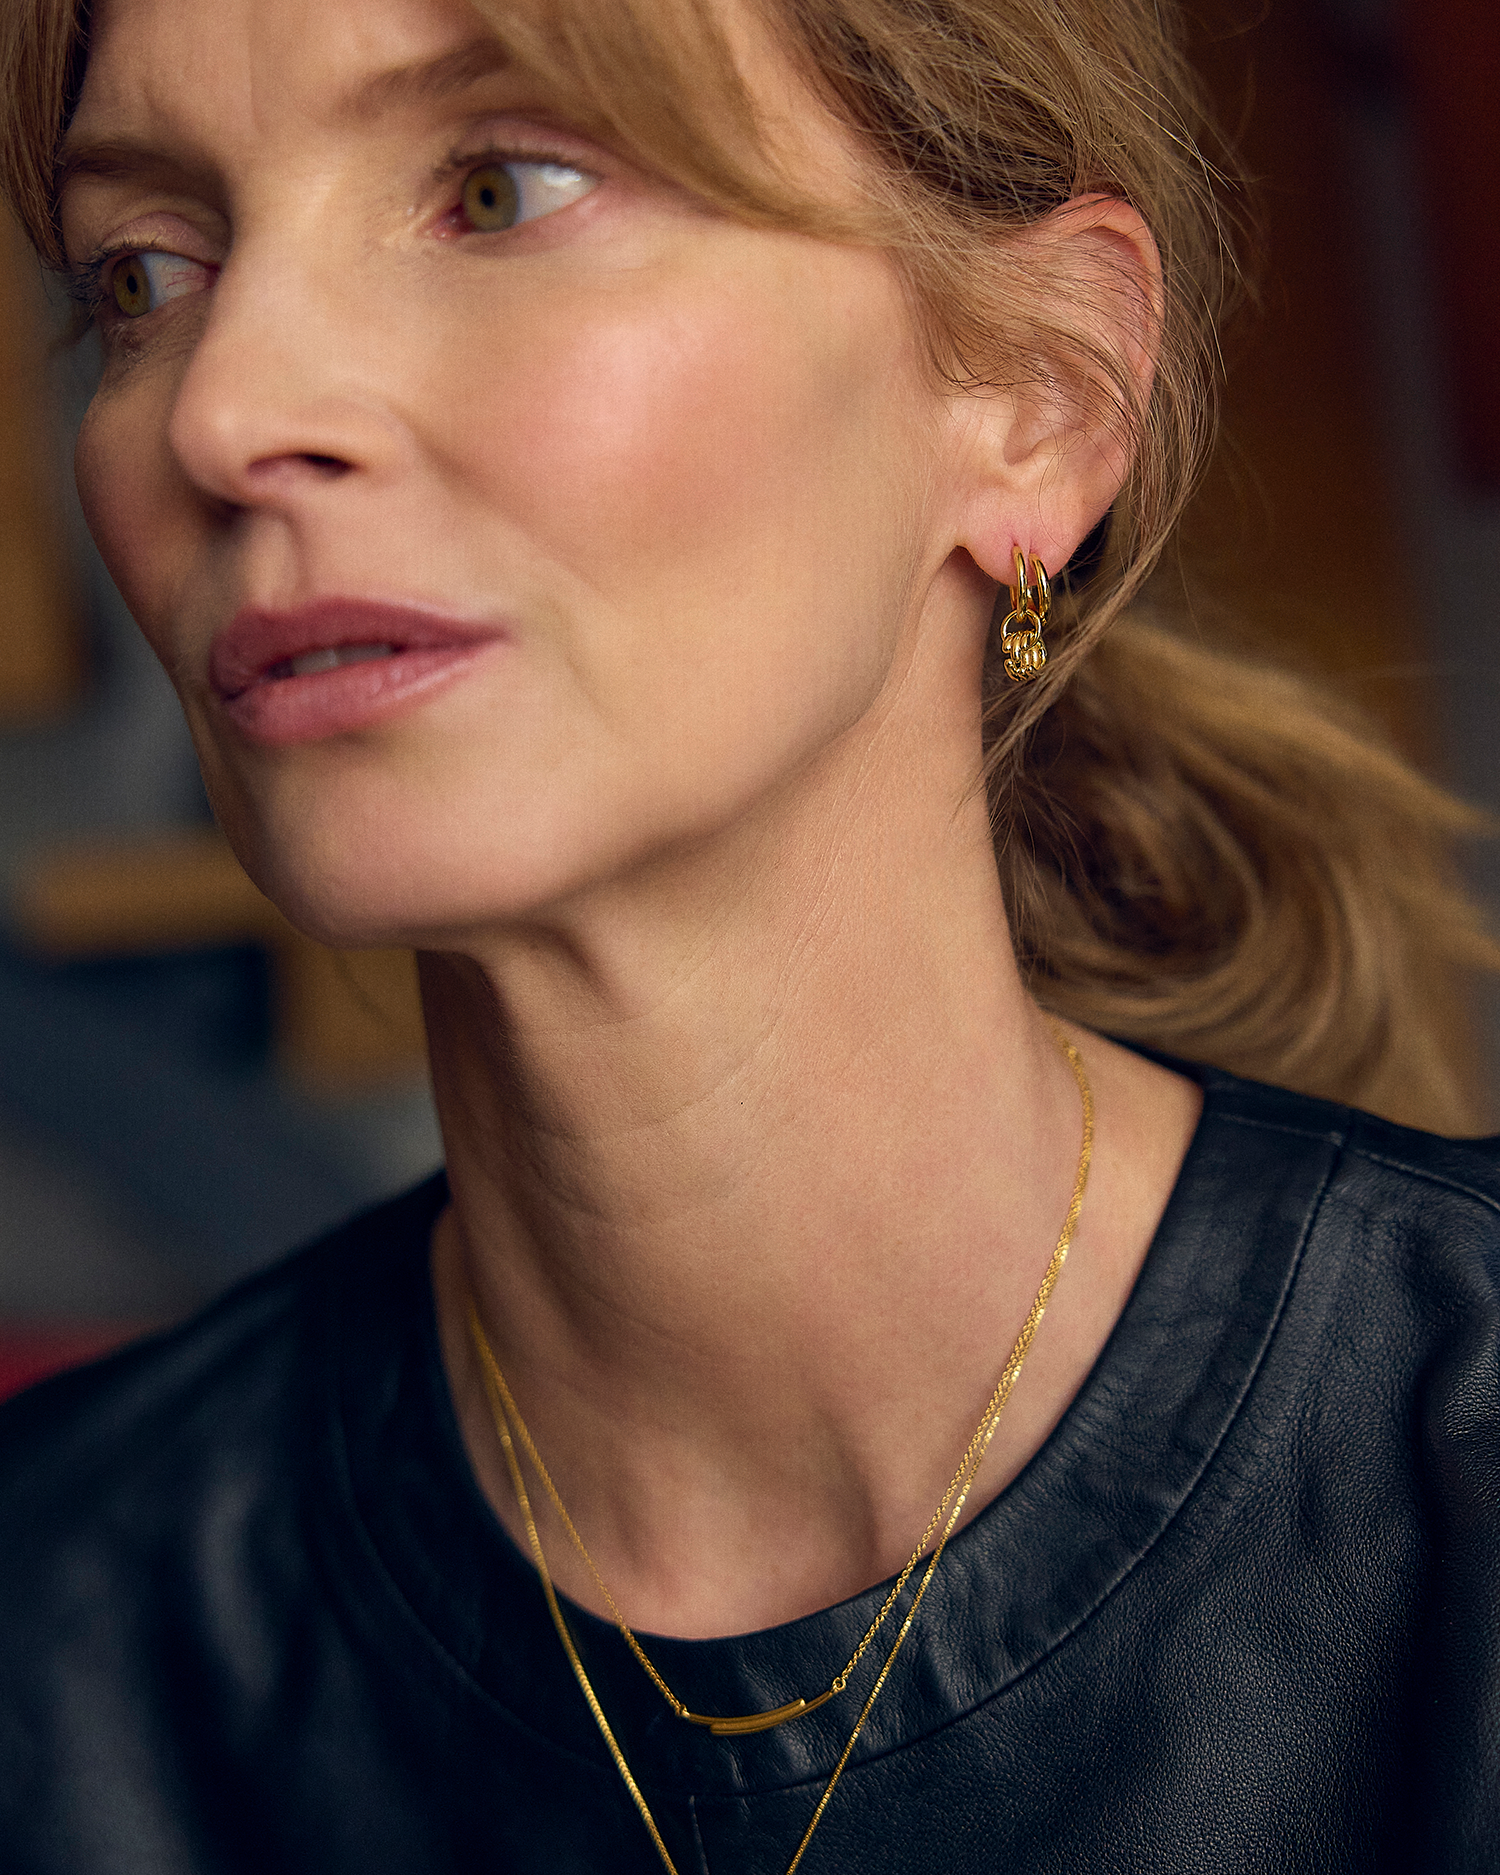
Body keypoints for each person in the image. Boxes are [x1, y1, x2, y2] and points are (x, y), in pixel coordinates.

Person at [1, 0, 1497, 1868]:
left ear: (1038, 387)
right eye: (146, 273)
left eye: (499, 186)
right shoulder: (48, 1649)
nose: (221, 412)